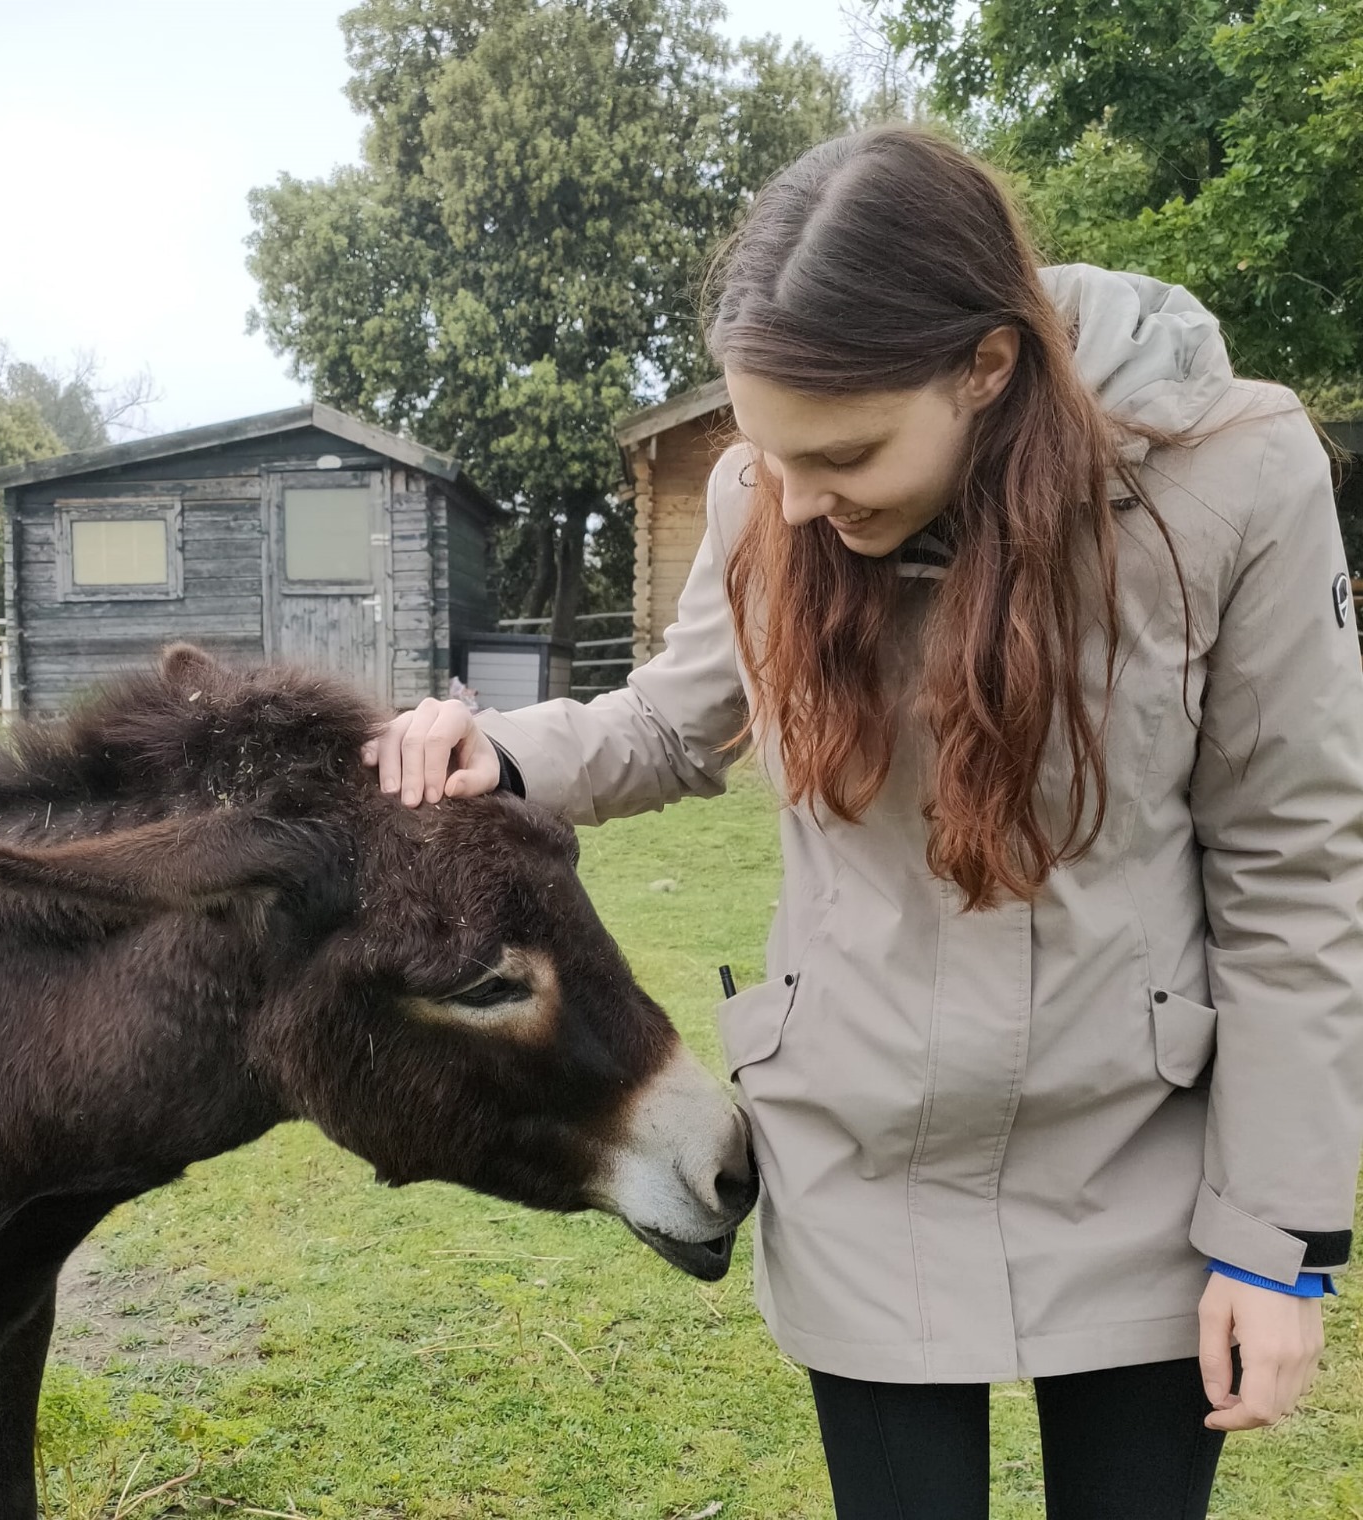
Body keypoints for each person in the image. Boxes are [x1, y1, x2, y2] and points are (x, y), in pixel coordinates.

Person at [363, 126, 1363, 1518]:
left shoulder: (1237, 480)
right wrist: (505, 751)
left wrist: (1272, 1240)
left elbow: (1295, 868)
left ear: (987, 368)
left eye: (843, 454)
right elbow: (671, 722)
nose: (794, 501)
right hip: (860, 1152)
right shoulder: (763, 496)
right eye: (766, 453)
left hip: (1142, 1153)